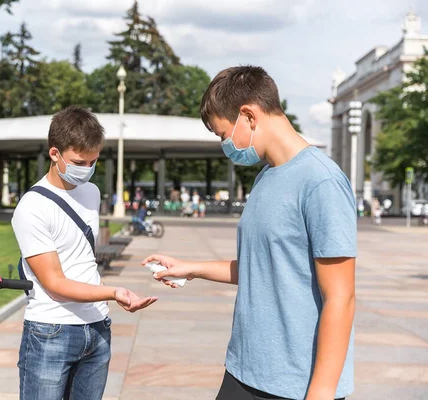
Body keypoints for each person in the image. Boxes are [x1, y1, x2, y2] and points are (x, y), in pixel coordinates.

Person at [144, 66, 356, 400]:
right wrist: (190, 268)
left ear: (249, 116)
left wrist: (322, 391)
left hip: (295, 385)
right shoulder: (266, 178)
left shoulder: (321, 182)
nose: (224, 145)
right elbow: (262, 267)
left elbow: (341, 298)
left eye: (223, 134)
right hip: (245, 369)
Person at [11, 106, 157, 400]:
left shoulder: (91, 192)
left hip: (97, 327)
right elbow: (55, 284)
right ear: (55, 154)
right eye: (79, 161)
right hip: (52, 330)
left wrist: (105, 294)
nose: (87, 168)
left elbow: (81, 259)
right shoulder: (32, 207)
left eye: (93, 161)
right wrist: (114, 292)